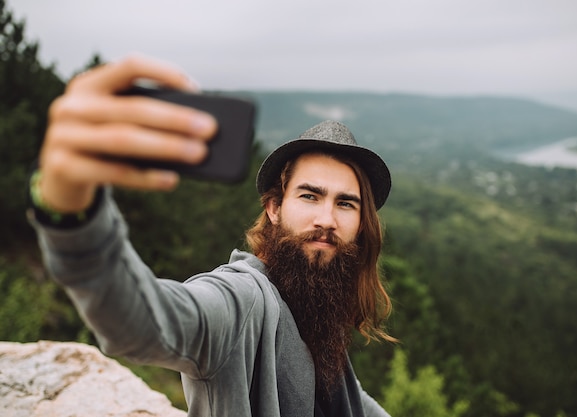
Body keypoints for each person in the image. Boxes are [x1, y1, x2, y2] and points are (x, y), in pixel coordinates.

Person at [28, 55, 395, 417]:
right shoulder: (242, 302)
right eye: (309, 196)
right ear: (274, 208)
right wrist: (70, 207)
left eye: (346, 204)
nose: (326, 218)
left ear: (362, 224)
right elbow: (142, 320)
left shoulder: (317, 312)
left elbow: (351, 399)